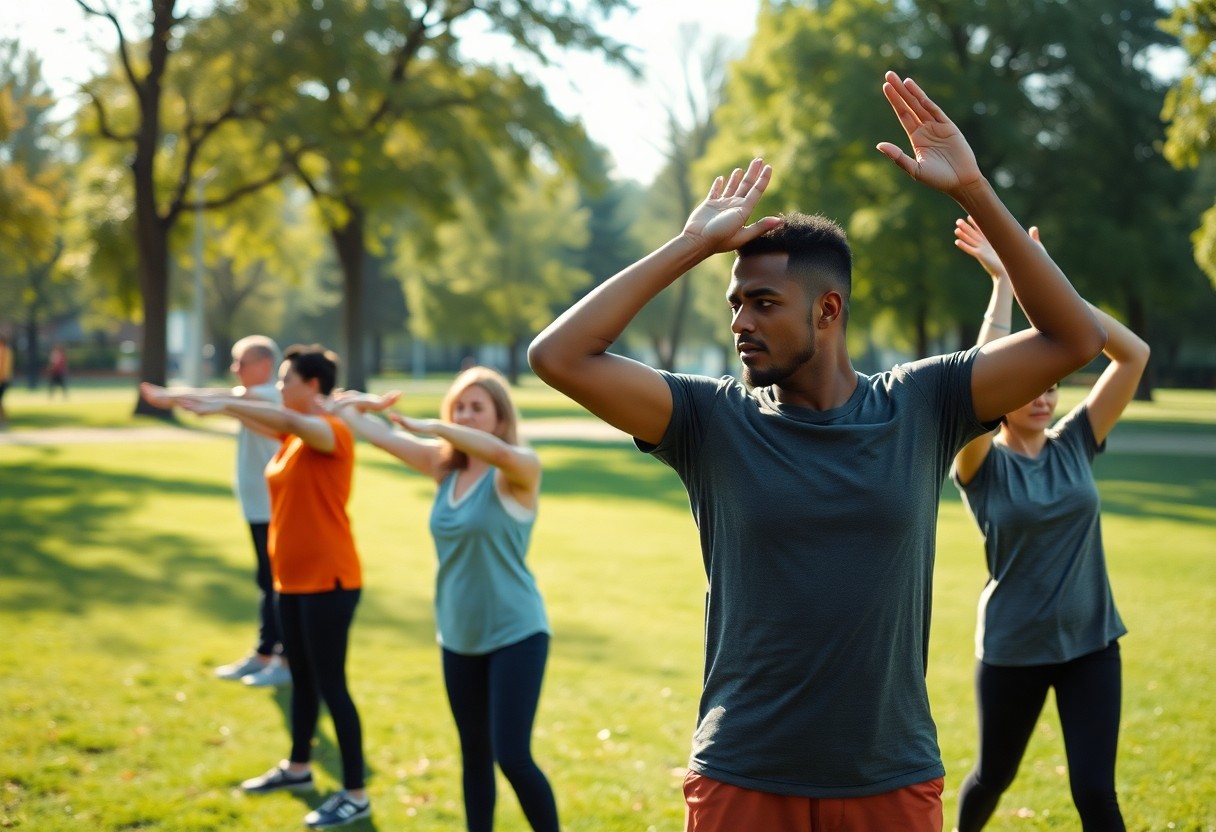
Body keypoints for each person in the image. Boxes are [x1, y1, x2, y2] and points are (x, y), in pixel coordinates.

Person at [527, 71, 1108, 831]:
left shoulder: (922, 404)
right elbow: (558, 355)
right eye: (735, 302)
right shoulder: (710, 420)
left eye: (763, 303)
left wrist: (972, 189)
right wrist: (691, 244)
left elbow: (1076, 339)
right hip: (742, 775)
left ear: (827, 310)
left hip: (887, 778)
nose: (741, 322)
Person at [949, 216, 1150, 832]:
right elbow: (974, 379)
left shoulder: (1075, 443)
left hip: (1092, 643)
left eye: (1053, 385)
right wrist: (1006, 285)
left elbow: (1131, 354)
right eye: (1031, 383)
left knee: (1095, 793)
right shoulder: (981, 463)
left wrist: (1049, 283)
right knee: (993, 777)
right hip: (1015, 649)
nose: (1043, 395)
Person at [331, 367, 558, 832]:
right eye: (459, 407)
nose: (466, 415)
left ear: (500, 417)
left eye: (477, 408)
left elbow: (494, 451)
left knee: (511, 756)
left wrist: (435, 427)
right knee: (474, 755)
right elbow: (360, 426)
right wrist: (364, 404)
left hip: (517, 632)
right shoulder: (443, 466)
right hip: (456, 633)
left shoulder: (518, 469)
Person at [180, 344, 371, 829]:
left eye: (287, 381)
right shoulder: (293, 439)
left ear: (313, 385)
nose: (280, 389)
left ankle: (355, 794)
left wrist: (224, 402)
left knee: (332, 685)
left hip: (330, 581)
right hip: (291, 582)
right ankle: (299, 769)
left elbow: (286, 422)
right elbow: (269, 421)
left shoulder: (331, 432)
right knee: (302, 679)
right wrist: (203, 400)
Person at [139, 335, 291, 687]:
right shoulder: (252, 398)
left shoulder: (269, 395)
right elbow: (224, 398)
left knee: (277, 582)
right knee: (267, 581)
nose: (235, 369)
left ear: (264, 365)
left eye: (242, 362)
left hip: (274, 506)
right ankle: (266, 652)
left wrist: (169, 397)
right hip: (259, 506)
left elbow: (222, 398)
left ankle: (283, 659)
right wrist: (173, 397)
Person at [0, 334, 12, 426]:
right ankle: (3, 419)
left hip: (3, 380)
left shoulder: (6, 352)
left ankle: (3, 420)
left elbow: (5, 368)